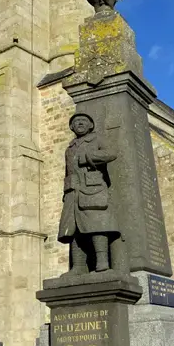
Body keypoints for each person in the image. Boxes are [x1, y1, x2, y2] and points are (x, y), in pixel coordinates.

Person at [58, 113, 119, 273]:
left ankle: (102, 262)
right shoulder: (70, 147)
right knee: (74, 229)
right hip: (72, 193)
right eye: (76, 122)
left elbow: (111, 153)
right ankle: (78, 266)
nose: (79, 123)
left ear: (90, 125)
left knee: (97, 225)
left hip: (92, 189)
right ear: (71, 127)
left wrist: (88, 157)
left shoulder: (97, 139)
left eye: (83, 121)